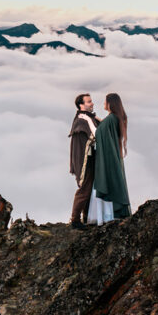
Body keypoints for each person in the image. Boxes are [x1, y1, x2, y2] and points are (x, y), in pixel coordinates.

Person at [88, 93, 131, 224]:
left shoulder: (111, 119)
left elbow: (99, 132)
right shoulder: (117, 117)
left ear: (111, 103)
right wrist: (99, 119)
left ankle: (107, 217)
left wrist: (88, 119)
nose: (103, 104)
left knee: (107, 182)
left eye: (105, 102)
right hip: (114, 156)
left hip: (108, 158)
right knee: (115, 181)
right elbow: (106, 127)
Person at [69, 93, 100, 228]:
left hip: (91, 159)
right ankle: (75, 220)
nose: (92, 103)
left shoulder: (89, 118)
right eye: (89, 102)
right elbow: (94, 135)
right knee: (84, 189)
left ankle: (87, 217)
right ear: (81, 105)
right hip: (85, 161)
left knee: (90, 188)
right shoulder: (82, 120)